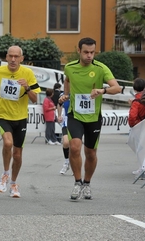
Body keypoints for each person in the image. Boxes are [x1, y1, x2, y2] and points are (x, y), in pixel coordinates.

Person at [59, 37, 121, 200]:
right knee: (74, 147)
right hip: (75, 115)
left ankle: (87, 183)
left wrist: (102, 91)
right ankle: (77, 182)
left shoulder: (101, 68)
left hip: (93, 117)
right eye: (86, 52)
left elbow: (117, 88)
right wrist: (66, 94)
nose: (89, 56)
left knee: (91, 153)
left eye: (92, 52)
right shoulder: (70, 67)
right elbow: (67, 80)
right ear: (79, 51)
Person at [0, 45, 41, 198]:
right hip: (3, 115)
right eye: (10, 56)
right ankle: (5, 174)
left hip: (20, 118)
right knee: (7, 143)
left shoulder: (28, 73)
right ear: (6, 57)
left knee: (17, 155)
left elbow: (35, 99)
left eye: (16, 56)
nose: (13, 59)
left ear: (21, 58)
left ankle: (13, 183)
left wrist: (27, 87)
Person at [128, 78, 145, 175]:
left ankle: (142, 168)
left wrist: (132, 126)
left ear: (134, 88)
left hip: (140, 127)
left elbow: (132, 116)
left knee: (140, 148)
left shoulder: (136, 101)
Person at [57, 90, 71, 175]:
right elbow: (59, 104)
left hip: (76, 121)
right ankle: (66, 162)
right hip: (66, 121)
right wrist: (59, 115)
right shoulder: (64, 94)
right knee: (66, 142)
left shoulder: (78, 92)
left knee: (74, 145)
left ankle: (74, 164)